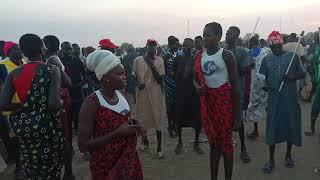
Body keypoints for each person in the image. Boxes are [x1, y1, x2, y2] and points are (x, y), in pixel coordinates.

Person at [0, 33, 64, 179]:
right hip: (48, 126)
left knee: (32, 162)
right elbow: (54, 105)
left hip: (26, 127)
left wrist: (25, 105)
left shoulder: (14, 73)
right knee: (51, 165)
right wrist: (61, 102)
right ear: (42, 49)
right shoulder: (51, 69)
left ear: (23, 51)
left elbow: (2, 104)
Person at [78, 50, 143, 179]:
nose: (125, 77)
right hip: (106, 163)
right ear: (106, 77)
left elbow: (123, 119)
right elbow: (83, 146)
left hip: (127, 158)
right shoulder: (92, 103)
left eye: (124, 73)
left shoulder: (121, 94)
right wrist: (117, 134)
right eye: (120, 74)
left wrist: (135, 124)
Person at [194, 22, 240, 180]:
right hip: (208, 105)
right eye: (204, 35)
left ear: (219, 37)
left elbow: (235, 88)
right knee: (214, 144)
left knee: (226, 145)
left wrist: (238, 116)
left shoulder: (226, 55)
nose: (205, 38)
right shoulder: (199, 56)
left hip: (224, 104)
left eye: (209, 35)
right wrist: (198, 87)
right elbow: (195, 78)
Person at [260, 31, 305, 174]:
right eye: (273, 47)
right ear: (270, 47)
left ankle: (288, 155)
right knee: (272, 126)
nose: (276, 49)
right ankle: (271, 160)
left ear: (281, 43)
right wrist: (265, 85)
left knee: (290, 124)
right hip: (274, 99)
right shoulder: (266, 60)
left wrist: (291, 76)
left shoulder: (293, 57)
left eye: (278, 45)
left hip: (290, 99)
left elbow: (302, 73)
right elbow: (263, 78)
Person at [43, 35, 74, 180]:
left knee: (63, 135)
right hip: (61, 98)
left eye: (42, 45)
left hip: (60, 99)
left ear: (47, 47)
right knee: (64, 133)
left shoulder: (52, 60)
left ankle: (68, 172)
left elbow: (67, 82)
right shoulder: (54, 59)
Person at [132, 39, 166, 159]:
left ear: (156, 48)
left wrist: (152, 66)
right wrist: (138, 84)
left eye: (154, 46)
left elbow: (160, 80)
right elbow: (134, 75)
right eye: (150, 46)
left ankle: (159, 148)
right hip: (143, 94)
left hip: (156, 94)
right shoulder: (138, 60)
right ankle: (145, 141)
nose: (152, 48)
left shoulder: (160, 60)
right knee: (142, 118)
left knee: (158, 118)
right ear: (146, 46)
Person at [173, 38, 203, 155]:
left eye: (189, 46)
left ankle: (196, 143)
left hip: (193, 95)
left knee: (196, 119)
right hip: (180, 94)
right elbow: (173, 74)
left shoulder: (196, 59)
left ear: (192, 47)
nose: (186, 48)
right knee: (179, 118)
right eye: (184, 46)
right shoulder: (178, 59)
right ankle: (180, 142)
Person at [226, 26, 251, 163]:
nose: (227, 36)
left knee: (238, 121)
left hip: (237, 91)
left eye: (230, 34)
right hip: (224, 92)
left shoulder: (242, 51)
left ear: (236, 36)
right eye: (227, 34)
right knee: (226, 120)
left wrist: (232, 68)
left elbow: (246, 69)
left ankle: (243, 149)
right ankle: (228, 145)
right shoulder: (223, 51)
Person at [0, 41, 24, 179]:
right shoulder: (2, 66)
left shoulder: (25, 63)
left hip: (28, 107)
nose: (19, 50)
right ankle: (18, 167)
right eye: (15, 48)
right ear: (8, 51)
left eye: (19, 48)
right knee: (15, 140)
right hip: (11, 110)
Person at [246, 35, 271, 139]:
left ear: (251, 43)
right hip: (266, 82)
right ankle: (271, 129)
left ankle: (255, 131)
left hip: (256, 83)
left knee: (255, 105)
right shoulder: (265, 51)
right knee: (267, 106)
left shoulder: (252, 52)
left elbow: (249, 65)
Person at [61, 42, 87, 133]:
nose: (68, 51)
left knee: (79, 117)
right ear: (61, 50)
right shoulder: (60, 62)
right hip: (64, 95)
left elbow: (86, 77)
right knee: (67, 119)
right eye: (66, 49)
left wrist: (77, 86)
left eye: (70, 49)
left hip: (78, 95)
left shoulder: (78, 61)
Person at [162, 36, 179, 138]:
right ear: (169, 45)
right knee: (170, 107)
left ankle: (174, 125)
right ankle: (169, 126)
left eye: (177, 44)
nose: (176, 46)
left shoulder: (178, 55)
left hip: (177, 84)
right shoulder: (165, 57)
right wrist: (169, 73)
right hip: (168, 85)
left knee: (176, 107)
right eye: (175, 44)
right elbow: (162, 71)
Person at [283, 33, 308, 98]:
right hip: (297, 67)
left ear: (290, 38)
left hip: (287, 67)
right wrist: (307, 62)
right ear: (295, 38)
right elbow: (302, 57)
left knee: (288, 81)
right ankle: (298, 93)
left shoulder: (284, 46)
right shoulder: (299, 45)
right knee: (298, 81)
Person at [305, 32, 320, 136]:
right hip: (318, 81)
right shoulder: (317, 49)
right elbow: (313, 60)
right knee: (315, 106)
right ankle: (312, 128)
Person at [121, 45, 138, 109]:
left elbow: (123, 71)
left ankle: (133, 116)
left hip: (129, 82)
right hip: (138, 81)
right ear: (133, 49)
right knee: (138, 100)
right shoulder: (138, 56)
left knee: (131, 102)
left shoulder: (125, 58)